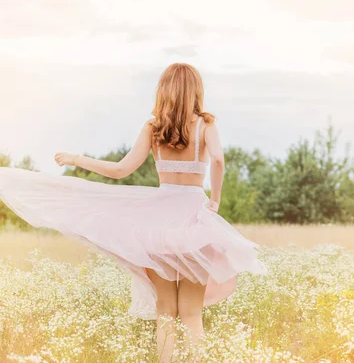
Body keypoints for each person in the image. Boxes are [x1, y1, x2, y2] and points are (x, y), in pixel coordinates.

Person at [0, 62, 268, 362]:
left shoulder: (154, 128)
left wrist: (78, 159)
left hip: (157, 224)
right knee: (192, 314)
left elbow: (120, 169)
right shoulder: (206, 125)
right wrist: (215, 200)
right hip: (195, 221)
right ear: (197, 91)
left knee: (165, 311)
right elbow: (218, 161)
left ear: (163, 90)